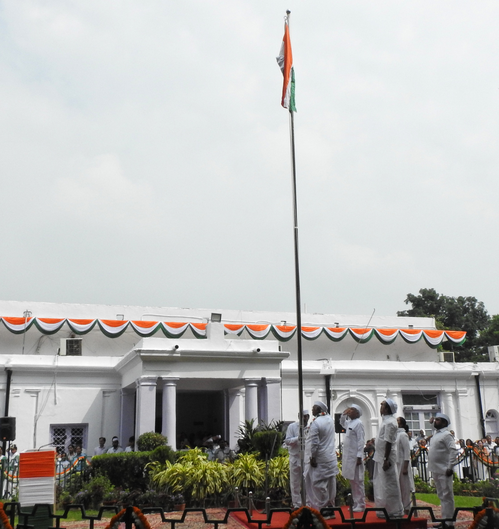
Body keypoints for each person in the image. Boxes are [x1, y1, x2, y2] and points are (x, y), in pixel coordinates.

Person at [304, 401, 338, 516]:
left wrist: (313, 457)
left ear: (319, 409)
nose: (312, 409)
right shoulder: (330, 420)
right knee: (330, 483)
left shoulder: (317, 423)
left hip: (320, 458)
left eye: (314, 408)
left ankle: (324, 508)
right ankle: (331, 506)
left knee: (318, 483)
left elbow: (314, 442)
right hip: (331, 457)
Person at [373, 399, 404, 519]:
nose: (380, 407)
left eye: (383, 406)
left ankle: (394, 511)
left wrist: (386, 459)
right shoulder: (386, 421)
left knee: (390, 484)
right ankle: (384, 509)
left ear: (387, 408)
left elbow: (388, 442)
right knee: (382, 484)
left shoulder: (390, 422)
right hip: (381, 456)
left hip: (387, 458)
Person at [427, 413, 457, 527]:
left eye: (438, 420)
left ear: (444, 422)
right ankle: (445, 520)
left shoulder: (447, 435)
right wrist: (431, 423)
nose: (435, 421)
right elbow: (434, 428)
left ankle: (449, 522)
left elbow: (453, 451)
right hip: (436, 469)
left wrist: (450, 467)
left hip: (444, 469)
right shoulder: (437, 434)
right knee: (441, 495)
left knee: (447, 496)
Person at [340, 404, 366, 512]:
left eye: (351, 410)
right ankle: (356, 503)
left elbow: (361, 441)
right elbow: (342, 423)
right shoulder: (350, 423)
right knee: (353, 481)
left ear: (356, 413)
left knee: (358, 481)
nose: (349, 411)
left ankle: (361, 504)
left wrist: (359, 456)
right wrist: (343, 414)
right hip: (349, 457)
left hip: (356, 457)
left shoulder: (359, 423)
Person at [284, 409, 310, 508]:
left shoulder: (310, 427)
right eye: (303, 416)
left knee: (307, 482)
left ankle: (308, 503)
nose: (305, 418)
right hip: (295, 457)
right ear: (299, 416)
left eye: (306, 416)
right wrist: (298, 438)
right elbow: (287, 441)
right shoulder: (292, 426)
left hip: (306, 458)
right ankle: (297, 504)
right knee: (295, 482)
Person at [396, 417, 415, 515]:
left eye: (397, 421)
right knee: (398, 486)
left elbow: (407, 452)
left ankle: (407, 508)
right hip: (396, 464)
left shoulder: (403, 435)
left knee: (405, 487)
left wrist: (405, 466)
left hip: (403, 464)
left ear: (401, 424)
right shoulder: (396, 435)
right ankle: (400, 507)